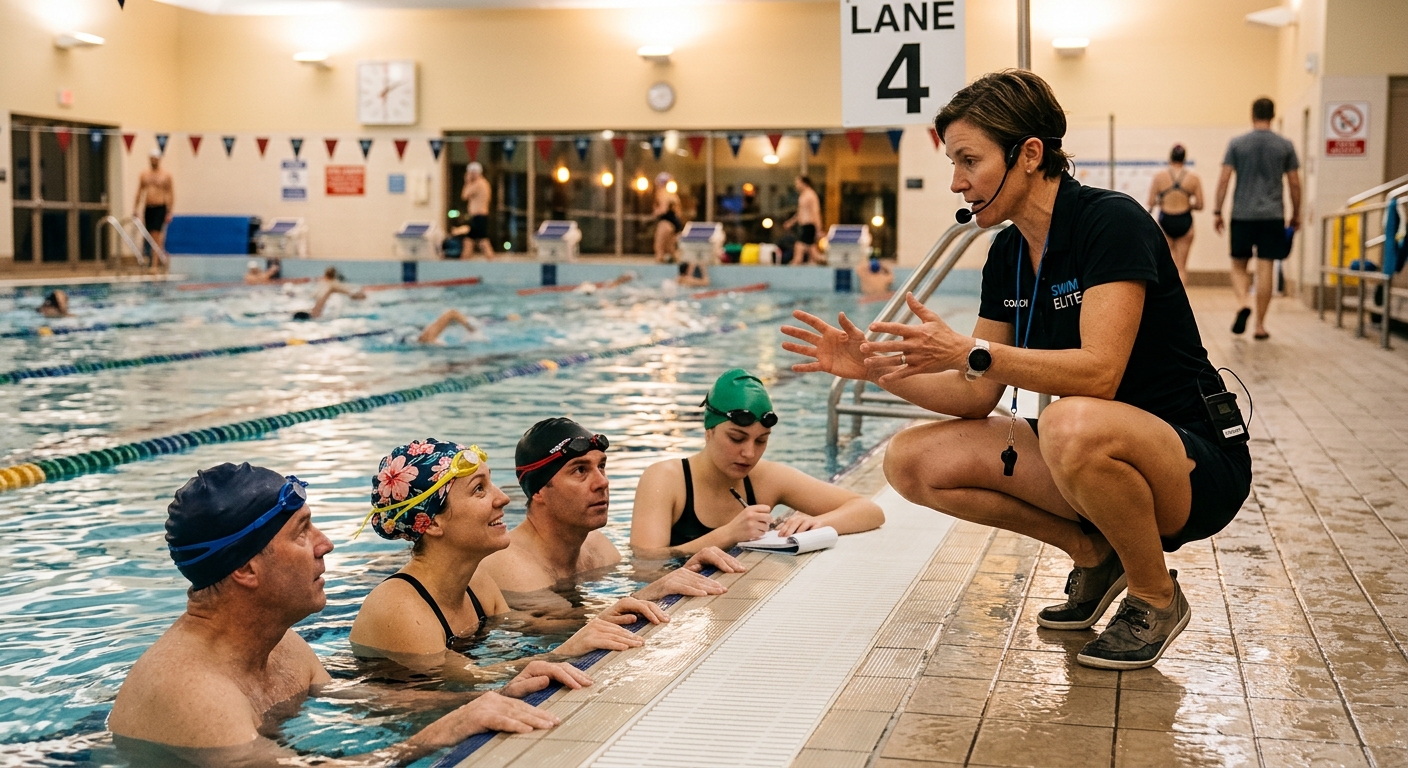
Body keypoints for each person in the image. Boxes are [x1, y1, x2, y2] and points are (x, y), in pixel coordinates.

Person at [782, 70, 1252, 670]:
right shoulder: (1007, 253)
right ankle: (1092, 552)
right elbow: (975, 393)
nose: (957, 183)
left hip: (1193, 460)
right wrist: (875, 372)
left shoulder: (1111, 223)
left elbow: (1099, 374)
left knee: (1069, 424)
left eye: (968, 161)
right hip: (1091, 453)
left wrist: (972, 352)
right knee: (910, 460)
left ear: (1029, 154)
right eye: (953, 163)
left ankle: (1155, 596)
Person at [109, 462, 585, 764]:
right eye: (301, 532)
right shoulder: (193, 692)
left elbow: (352, 701)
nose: (325, 544)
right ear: (247, 569)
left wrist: (493, 696)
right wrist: (439, 734)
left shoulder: (282, 644)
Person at [351, 440, 667, 677]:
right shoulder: (399, 607)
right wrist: (562, 653)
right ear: (431, 522)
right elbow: (468, 680)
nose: (502, 497)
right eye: (479, 490)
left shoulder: (477, 583)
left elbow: (532, 636)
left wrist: (640, 598)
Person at [480, 418, 744, 599]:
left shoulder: (597, 547)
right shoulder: (508, 563)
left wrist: (687, 568)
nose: (602, 482)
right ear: (538, 491)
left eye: (601, 466)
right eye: (580, 470)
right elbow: (562, 630)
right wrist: (653, 591)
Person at [631, 369, 885, 556]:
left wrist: (817, 523)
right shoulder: (666, 479)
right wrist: (728, 535)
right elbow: (645, 563)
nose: (749, 453)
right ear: (709, 431)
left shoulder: (767, 478)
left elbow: (869, 511)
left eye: (761, 440)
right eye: (736, 438)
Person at [1213, 97, 1301, 340]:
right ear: (1272, 116)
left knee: (1239, 266)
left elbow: (1224, 179)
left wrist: (1217, 210)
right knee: (1266, 269)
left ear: (1252, 115)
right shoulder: (1285, 145)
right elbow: (1294, 182)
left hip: (1242, 214)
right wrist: (1296, 213)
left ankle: (1243, 303)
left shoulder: (1237, 144)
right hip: (1273, 215)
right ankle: (1260, 326)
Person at [1145, 144, 1203, 286]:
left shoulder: (1160, 177)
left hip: (1166, 220)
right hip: (1185, 220)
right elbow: (1200, 205)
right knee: (1181, 266)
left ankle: (1169, 298)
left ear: (1170, 157)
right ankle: (1182, 300)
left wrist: (1164, 201)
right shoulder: (1193, 178)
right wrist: (1187, 204)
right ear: (1184, 158)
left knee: (1167, 264)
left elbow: (1151, 202)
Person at [133, 148, 173, 269]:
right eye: (152, 158)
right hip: (148, 208)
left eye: (156, 159)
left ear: (159, 159)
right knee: (149, 236)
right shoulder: (144, 175)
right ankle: (159, 259)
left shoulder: (165, 176)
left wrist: (169, 211)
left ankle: (154, 264)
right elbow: (139, 192)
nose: (154, 161)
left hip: (160, 208)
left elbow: (170, 194)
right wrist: (135, 208)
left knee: (157, 235)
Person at [782, 176, 822, 266]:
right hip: (804, 225)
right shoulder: (803, 196)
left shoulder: (811, 195)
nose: (796, 185)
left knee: (799, 246)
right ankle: (820, 261)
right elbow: (800, 212)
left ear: (804, 183)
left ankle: (796, 263)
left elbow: (815, 211)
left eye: (797, 183)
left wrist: (818, 228)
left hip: (809, 225)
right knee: (812, 250)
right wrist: (791, 222)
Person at [460, 162, 494, 259]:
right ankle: (465, 257)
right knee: (470, 238)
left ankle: (490, 258)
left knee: (482, 239)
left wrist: (467, 182)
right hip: (479, 215)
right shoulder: (484, 183)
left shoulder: (478, 184)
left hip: (479, 215)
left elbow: (464, 195)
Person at [653, 173, 683, 263]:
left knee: (659, 247)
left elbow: (663, 209)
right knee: (671, 248)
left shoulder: (662, 194)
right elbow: (679, 213)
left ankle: (659, 270)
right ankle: (678, 266)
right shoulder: (673, 195)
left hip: (666, 222)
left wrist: (655, 212)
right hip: (674, 223)